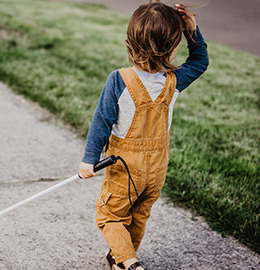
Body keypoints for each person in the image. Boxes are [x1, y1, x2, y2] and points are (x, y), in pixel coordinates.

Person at [78, 2, 209, 270]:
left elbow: (101, 121)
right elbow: (200, 61)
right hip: (157, 169)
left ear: (129, 43)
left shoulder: (119, 80)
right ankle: (121, 259)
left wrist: (89, 159)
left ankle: (129, 261)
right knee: (138, 215)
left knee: (109, 216)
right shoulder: (174, 81)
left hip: (126, 168)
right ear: (173, 48)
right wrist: (192, 31)